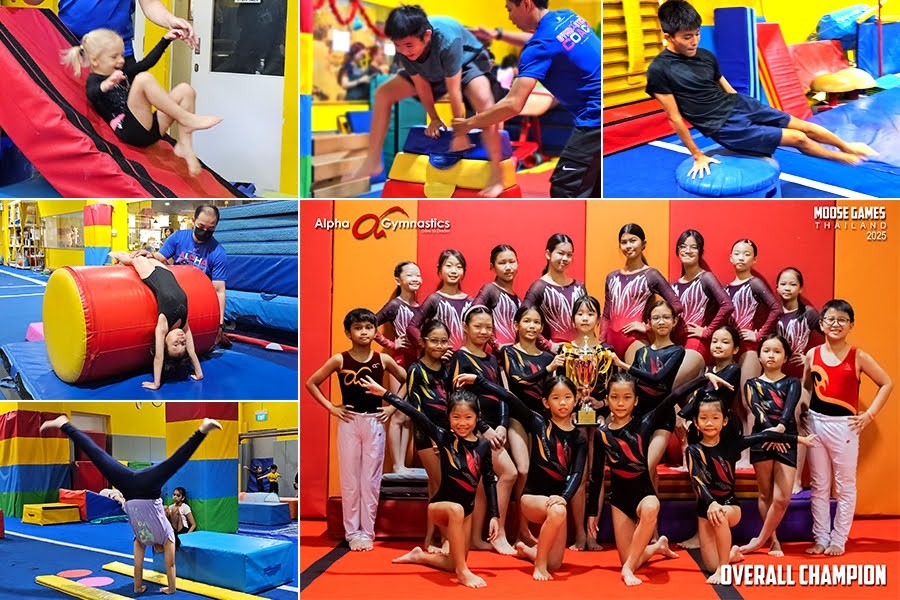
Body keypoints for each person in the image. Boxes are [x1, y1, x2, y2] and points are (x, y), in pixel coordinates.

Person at [647, 0, 876, 180]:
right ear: (668, 37)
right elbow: (674, 118)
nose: (695, 41)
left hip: (739, 105)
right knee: (798, 138)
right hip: (723, 126)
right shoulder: (660, 69)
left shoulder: (704, 55)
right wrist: (698, 154)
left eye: (697, 33)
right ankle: (840, 157)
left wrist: (746, 106)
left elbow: (724, 85)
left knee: (807, 126)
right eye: (687, 37)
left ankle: (848, 146)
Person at [40, 415, 222, 595]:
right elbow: (171, 565)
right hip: (148, 488)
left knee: (98, 457)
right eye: (162, 552)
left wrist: (137, 587)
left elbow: (137, 564)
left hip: (128, 487)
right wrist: (171, 589)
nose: (159, 552)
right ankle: (202, 430)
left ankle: (63, 423)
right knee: (173, 463)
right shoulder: (168, 537)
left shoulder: (141, 540)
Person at [586, 371, 729, 586]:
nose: (620, 403)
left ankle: (627, 569)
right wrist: (592, 513)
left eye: (626, 398)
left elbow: (672, 396)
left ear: (635, 401)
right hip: (619, 498)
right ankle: (656, 547)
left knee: (651, 508)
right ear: (607, 399)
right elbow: (596, 475)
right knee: (630, 557)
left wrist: (705, 378)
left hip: (643, 493)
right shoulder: (602, 434)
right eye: (615, 397)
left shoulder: (645, 422)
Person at [348, 6, 506, 197]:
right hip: (432, 70)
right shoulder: (405, 49)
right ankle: (373, 160)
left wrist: (460, 130)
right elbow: (421, 85)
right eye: (397, 46)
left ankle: (497, 176)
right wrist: (434, 119)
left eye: (408, 45)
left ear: (427, 35)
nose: (403, 51)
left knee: (485, 103)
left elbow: (453, 88)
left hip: (467, 61)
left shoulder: (447, 40)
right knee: (383, 93)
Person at [361, 377, 500, 588]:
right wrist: (386, 395)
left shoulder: (483, 446)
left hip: (467, 511)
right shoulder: (444, 437)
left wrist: (495, 515)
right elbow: (415, 413)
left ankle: (421, 556)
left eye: (468, 417)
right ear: (448, 417)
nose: (462, 423)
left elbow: (489, 479)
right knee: (455, 511)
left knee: (453, 560)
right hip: (441, 506)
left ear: (477, 417)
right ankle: (463, 573)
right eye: (456, 417)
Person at [453, 0, 601, 197]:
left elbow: (513, 105)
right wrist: (497, 34)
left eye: (510, 9)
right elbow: (543, 40)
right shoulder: (567, 17)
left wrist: (468, 124)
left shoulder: (538, 47)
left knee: (565, 189)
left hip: (594, 118)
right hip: (602, 111)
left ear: (526, 4)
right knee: (593, 186)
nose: (509, 17)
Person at [465, 373, 587, 581]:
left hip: (557, 501)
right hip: (531, 499)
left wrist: (565, 497)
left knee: (556, 564)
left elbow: (576, 473)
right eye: (556, 398)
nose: (563, 403)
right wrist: (479, 381)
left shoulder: (579, 439)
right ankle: (539, 566)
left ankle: (526, 550)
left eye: (567, 397)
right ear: (546, 402)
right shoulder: (538, 423)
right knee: (558, 512)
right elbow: (510, 397)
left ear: (576, 400)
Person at [305, 308, 407, 552]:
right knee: (350, 479)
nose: (364, 332)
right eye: (358, 328)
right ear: (348, 333)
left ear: (374, 331)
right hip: (350, 422)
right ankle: (352, 533)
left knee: (370, 480)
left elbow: (407, 380)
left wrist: (392, 408)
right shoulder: (340, 359)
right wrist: (331, 407)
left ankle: (367, 532)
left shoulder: (382, 359)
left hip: (374, 421)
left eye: (368, 328)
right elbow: (311, 382)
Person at [687, 394, 815, 584]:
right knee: (710, 565)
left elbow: (764, 435)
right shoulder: (694, 450)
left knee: (720, 516)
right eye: (703, 418)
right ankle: (731, 556)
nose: (709, 423)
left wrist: (798, 440)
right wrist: (710, 503)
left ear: (724, 421)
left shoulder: (732, 445)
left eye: (715, 418)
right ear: (696, 423)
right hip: (706, 509)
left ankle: (723, 569)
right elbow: (697, 480)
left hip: (729, 506)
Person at [63, 29, 221, 176]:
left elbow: (146, 63)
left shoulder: (121, 73)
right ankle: (186, 118)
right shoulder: (95, 80)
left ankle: (184, 145)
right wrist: (106, 85)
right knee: (143, 79)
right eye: (114, 57)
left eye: (122, 55)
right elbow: (92, 94)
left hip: (149, 129)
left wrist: (165, 40)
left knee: (185, 90)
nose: (120, 60)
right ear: (95, 60)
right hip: (131, 131)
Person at [804, 300, 892, 557]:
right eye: (830, 319)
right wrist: (801, 416)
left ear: (851, 325)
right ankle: (820, 537)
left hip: (844, 427)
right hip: (815, 423)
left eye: (842, 320)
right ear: (821, 323)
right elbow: (806, 388)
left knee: (844, 486)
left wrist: (870, 414)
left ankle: (838, 539)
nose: (835, 324)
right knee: (819, 485)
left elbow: (886, 383)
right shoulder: (813, 354)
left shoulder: (859, 356)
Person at [449, 306, 517, 555]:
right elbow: (458, 400)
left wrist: (502, 424)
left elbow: (502, 396)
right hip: (472, 430)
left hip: (494, 428)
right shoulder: (460, 358)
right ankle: (498, 534)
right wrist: (483, 428)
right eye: (478, 326)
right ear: (465, 328)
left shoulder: (492, 359)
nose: (484, 331)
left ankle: (476, 538)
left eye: (488, 327)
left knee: (480, 485)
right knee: (509, 473)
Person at [739, 334, 802, 556]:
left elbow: (788, 410)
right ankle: (773, 540)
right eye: (767, 351)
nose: (771, 355)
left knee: (782, 497)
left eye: (777, 351)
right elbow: (757, 411)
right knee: (765, 493)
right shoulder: (752, 384)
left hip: (786, 438)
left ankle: (760, 539)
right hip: (762, 438)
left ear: (785, 357)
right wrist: (771, 433)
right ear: (759, 356)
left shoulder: (793, 382)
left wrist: (780, 431)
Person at [135, 204, 230, 349]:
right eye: (201, 226)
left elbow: (219, 290)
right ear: (193, 221)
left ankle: (220, 337)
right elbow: (161, 257)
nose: (204, 231)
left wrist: (220, 324)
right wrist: (150, 255)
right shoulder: (179, 237)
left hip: (198, 297)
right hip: (176, 292)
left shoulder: (217, 252)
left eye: (210, 229)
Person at [107, 251, 203, 390]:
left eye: (175, 345)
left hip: (152, 276)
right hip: (167, 273)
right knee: (142, 256)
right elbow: (192, 351)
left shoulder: (163, 326)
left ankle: (117, 256)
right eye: (183, 344)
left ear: (165, 344)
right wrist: (199, 373)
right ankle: (121, 258)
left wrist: (156, 383)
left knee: (134, 259)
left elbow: (159, 357)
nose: (181, 341)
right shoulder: (184, 325)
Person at [601, 224, 683, 362]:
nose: (628, 246)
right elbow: (606, 314)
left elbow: (676, 305)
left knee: (635, 382)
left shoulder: (651, 275)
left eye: (633, 241)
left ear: (643, 244)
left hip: (634, 341)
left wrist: (647, 327)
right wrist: (601, 342)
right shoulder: (611, 277)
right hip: (610, 342)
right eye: (624, 242)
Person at [375, 261, 422, 475]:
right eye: (409, 275)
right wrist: (391, 344)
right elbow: (371, 324)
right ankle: (397, 464)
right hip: (400, 362)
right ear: (398, 280)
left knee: (409, 415)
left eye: (417, 275)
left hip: (417, 362)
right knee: (396, 413)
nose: (414, 278)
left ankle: (404, 464)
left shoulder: (421, 307)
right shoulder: (395, 305)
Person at [669, 229, 733, 385]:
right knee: (681, 395)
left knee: (672, 383)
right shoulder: (674, 285)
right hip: (676, 343)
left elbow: (727, 305)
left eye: (693, 247)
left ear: (700, 252)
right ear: (678, 250)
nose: (687, 250)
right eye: (683, 246)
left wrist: (708, 331)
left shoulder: (706, 278)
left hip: (697, 343)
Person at [59, 0, 199, 68]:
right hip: (70, 49)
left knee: (124, 117)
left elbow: (150, 3)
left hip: (117, 55)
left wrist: (171, 20)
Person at [523, 233, 587, 349]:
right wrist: (548, 345)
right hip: (551, 355)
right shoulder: (538, 287)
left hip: (578, 351)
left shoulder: (579, 287)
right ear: (548, 254)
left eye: (569, 255)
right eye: (561, 253)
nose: (565, 259)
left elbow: (588, 320)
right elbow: (523, 321)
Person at [407, 250, 472, 352]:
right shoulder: (434, 299)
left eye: (459, 267)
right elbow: (411, 327)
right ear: (439, 270)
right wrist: (429, 347)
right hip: (440, 361)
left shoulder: (471, 301)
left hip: (465, 358)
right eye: (449, 266)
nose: (454, 271)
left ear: (464, 271)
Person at [473, 245, 521, 349]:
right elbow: (473, 314)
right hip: (493, 356)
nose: (508, 267)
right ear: (492, 266)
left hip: (514, 355)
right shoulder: (490, 289)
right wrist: (495, 344)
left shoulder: (518, 299)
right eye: (502, 263)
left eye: (512, 262)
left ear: (518, 263)